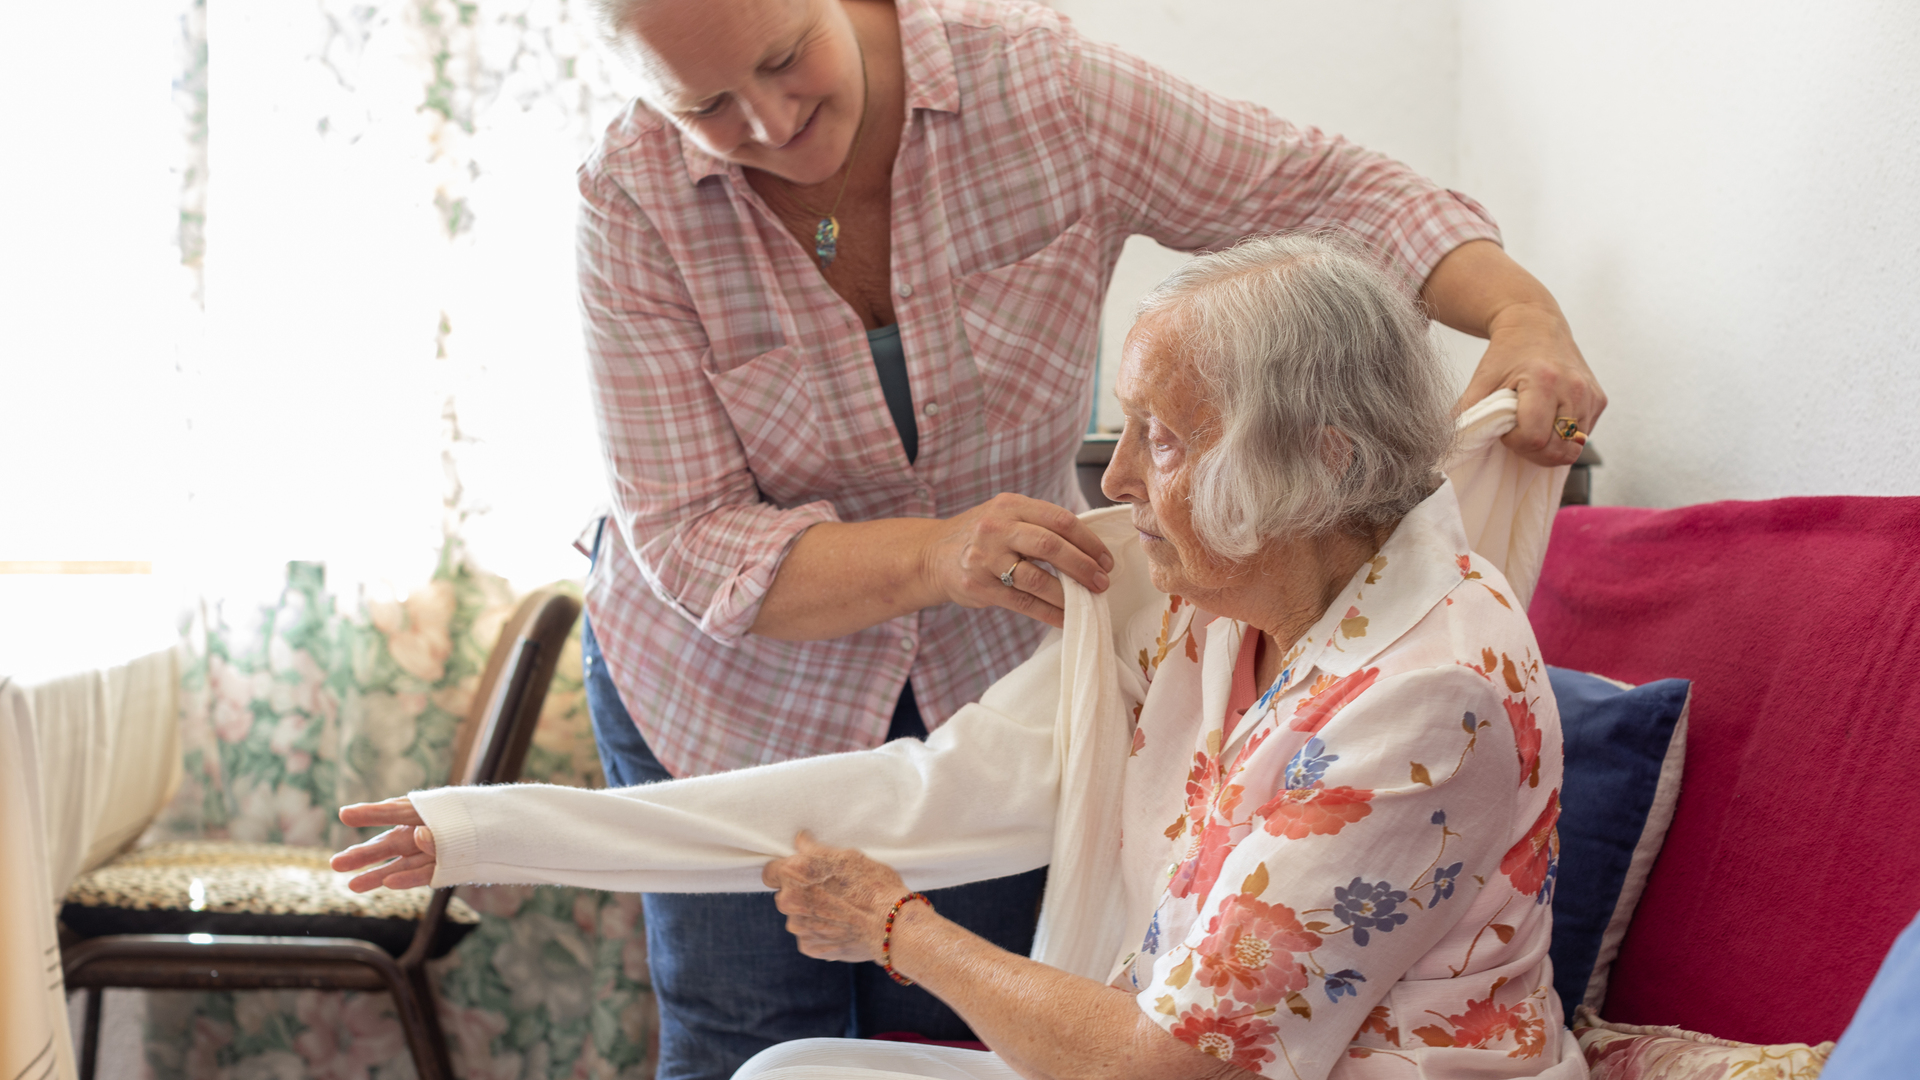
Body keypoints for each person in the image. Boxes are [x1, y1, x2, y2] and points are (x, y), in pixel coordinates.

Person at [572, 0, 1601, 1072]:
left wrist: (1522, 315)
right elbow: (691, 535)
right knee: (747, 1037)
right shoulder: (630, 200)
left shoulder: (1042, 89)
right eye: (706, 108)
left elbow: (1329, 191)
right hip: (733, 684)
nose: (772, 121)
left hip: (999, 637)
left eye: (787, 60)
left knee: (998, 1001)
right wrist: (931, 555)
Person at [336, 233, 1585, 1080]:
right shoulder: (1210, 602)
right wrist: (484, 830)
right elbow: (915, 794)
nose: (1114, 476)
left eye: (1163, 437)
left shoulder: (1430, 693)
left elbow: (1176, 1067)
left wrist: (899, 931)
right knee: (787, 1068)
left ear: (1321, 462)